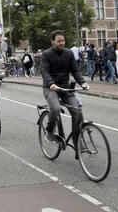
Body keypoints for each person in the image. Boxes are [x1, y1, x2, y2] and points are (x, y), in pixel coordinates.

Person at [40, 30, 89, 159]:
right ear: (52, 41)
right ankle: (49, 130)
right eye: (59, 41)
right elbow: (44, 72)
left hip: (65, 88)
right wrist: (51, 84)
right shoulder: (46, 55)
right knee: (55, 108)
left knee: (77, 111)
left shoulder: (69, 53)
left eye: (63, 41)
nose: (62, 43)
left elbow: (75, 70)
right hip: (50, 88)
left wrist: (82, 83)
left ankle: (76, 140)